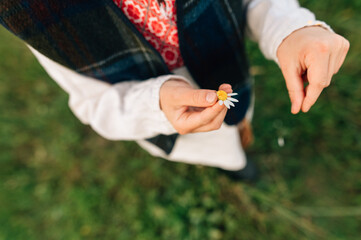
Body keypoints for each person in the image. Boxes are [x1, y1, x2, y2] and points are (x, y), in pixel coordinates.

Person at [0, 0, 349, 181]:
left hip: (229, 70)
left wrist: (291, 28)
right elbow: (94, 105)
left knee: (239, 120)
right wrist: (155, 104)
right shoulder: (29, 12)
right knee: (219, 151)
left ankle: (241, 146)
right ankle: (233, 167)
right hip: (170, 123)